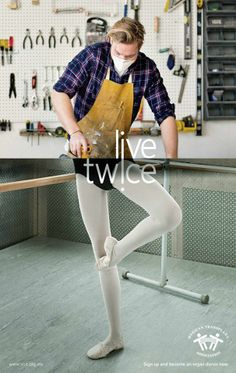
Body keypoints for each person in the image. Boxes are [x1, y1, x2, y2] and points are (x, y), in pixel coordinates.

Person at [51, 17, 182, 359]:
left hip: (118, 158)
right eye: (119, 52)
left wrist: (172, 158)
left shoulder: (148, 69)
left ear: (139, 47)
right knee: (99, 254)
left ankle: (119, 251)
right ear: (110, 42)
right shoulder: (92, 57)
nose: (124, 59)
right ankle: (115, 336)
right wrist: (74, 132)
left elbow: (165, 114)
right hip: (85, 157)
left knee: (169, 214)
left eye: (131, 54)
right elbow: (60, 91)